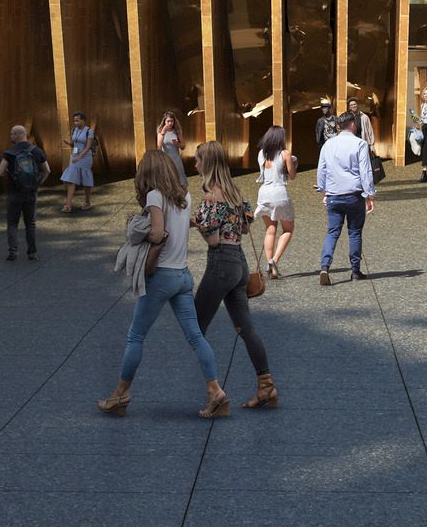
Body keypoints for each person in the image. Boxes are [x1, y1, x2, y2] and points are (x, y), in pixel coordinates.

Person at [97, 149, 230, 418]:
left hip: (161, 277)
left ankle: (120, 395)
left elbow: (157, 233)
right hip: (182, 275)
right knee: (195, 337)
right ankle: (216, 392)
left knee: (136, 336)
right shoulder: (185, 196)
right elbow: (187, 224)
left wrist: (141, 234)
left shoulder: (154, 196)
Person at [188, 142, 275, 408]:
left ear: (208, 164)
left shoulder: (210, 196)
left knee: (195, 328)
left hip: (221, 264)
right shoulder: (236, 192)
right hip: (239, 263)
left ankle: (215, 393)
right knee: (246, 328)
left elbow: (213, 239)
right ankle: (266, 386)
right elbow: (246, 228)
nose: (195, 165)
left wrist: (198, 225)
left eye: (197, 160)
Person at [314, 107, 376, 286]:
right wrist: (369, 195)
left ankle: (325, 266)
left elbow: (322, 169)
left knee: (332, 232)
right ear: (353, 124)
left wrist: (323, 190)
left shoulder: (328, 144)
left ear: (339, 126)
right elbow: (365, 172)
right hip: (354, 194)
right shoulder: (359, 144)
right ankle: (355, 270)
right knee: (355, 232)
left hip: (334, 194)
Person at [0, 123, 47, 262]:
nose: (10, 136)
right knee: (30, 223)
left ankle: (13, 252)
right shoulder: (36, 151)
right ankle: (32, 253)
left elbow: (0, 172)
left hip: (14, 192)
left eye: (12, 133)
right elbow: (47, 170)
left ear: (18, 135)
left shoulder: (9, 152)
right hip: (31, 192)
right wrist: (37, 183)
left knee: (12, 222)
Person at [252, 127, 295, 278]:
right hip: (279, 192)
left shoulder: (261, 153)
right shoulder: (285, 153)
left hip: (264, 192)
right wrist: (293, 163)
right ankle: (274, 260)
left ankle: (270, 263)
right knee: (288, 229)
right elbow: (292, 175)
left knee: (270, 230)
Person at [61, 112, 99, 215]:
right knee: (71, 180)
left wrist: (79, 157)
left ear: (83, 120)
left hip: (84, 157)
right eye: (74, 121)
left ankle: (87, 202)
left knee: (85, 179)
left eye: (77, 120)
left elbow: (88, 147)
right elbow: (76, 143)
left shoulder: (89, 131)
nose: (75, 122)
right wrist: (70, 144)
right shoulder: (74, 130)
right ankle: (68, 205)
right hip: (74, 156)